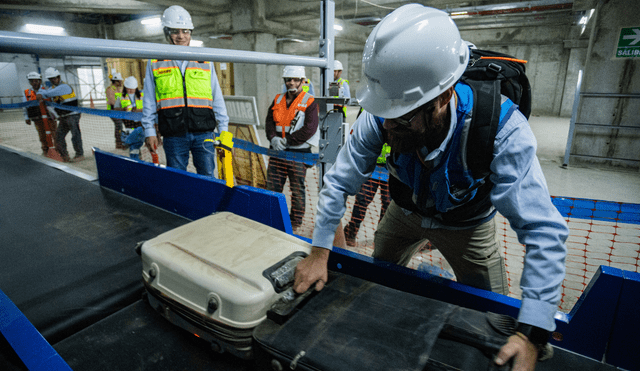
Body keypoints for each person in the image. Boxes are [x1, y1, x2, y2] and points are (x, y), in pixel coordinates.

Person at [293, 5, 568, 371]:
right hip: (403, 213)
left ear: (442, 98)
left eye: (402, 118)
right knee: (376, 284)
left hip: (468, 225)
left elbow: (543, 231)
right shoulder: (385, 113)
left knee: (494, 320)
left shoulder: (501, 128)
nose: (388, 129)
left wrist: (533, 332)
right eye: (385, 115)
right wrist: (319, 250)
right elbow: (339, 181)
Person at [142, 5, 229, 176]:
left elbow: (217, 97)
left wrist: (224, 129)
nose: (181, 36)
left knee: (207, 177)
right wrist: (149, 130)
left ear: (191, 33)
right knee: (178, 179)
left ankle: (205, 204)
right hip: (173, 134)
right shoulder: (156, 61)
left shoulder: (204, 60)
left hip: (204, 131)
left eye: (185, 31)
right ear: (167, 32)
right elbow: (149, 100)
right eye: (175, 31)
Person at [265, 65, 319, 229]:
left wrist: (287, 141)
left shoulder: (309, 101)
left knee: (297, 190)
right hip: (277, 153)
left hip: (298, 154)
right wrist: (273, 138)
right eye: (289, 80)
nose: (292, 83)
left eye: (296, 80)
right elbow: (269, 122)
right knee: (272, 187)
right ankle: (271, 217)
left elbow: (310, 128)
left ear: (303, 81)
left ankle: (295, 222)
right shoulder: (278, 99)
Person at [343, 142, 391, 246]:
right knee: (362, 199)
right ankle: (351, 233)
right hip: (372, 166)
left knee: (388, 205)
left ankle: (381, 239)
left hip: (391, 169)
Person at [37, 67, 84, 162]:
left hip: (72, 115)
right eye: (51, 79)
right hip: (63, 116)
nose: (52, 80)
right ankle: (64, 156)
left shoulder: (64, 87)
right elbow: (44, 92)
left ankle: (79, 154)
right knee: (58, 137)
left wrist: (41, 93)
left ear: (58, 77)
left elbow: (47, 94)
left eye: (54, 78)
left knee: (75, 135)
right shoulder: (52, 88)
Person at [23, 71, 58, 156]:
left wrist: (56, 115)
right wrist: (26, 117)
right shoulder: (27, 93)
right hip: (37, 118)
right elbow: (25, 106)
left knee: (55, 135)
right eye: (31, 81)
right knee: (42, 135)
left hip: (49, 117)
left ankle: (59, 151)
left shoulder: (47, 90)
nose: (34, 83)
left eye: (36, 81)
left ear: (39, 81)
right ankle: (45, 151)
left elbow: (54, 103)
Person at [115, 76, 146, 159]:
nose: (130, 91)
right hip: (128, 122)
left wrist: (138, 110)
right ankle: (135, 157)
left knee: (138, 139)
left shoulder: (142, 95)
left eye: (132, 89)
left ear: (136, 88)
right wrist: (123, 109)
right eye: (128, 89)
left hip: (139, 121)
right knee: (133, 141)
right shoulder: (120, 96)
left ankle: (136, 155)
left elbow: (147, 108)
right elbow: (116, 108)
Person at [106, 72, 125, 149]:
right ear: (115, 81)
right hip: (113, 111)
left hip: (121, 110)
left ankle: (125, 140)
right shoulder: (110, 90)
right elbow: (112, 102)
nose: (121, 82)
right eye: (120, 81)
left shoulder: (120, 89)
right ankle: (118, 143)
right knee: (118, 124)